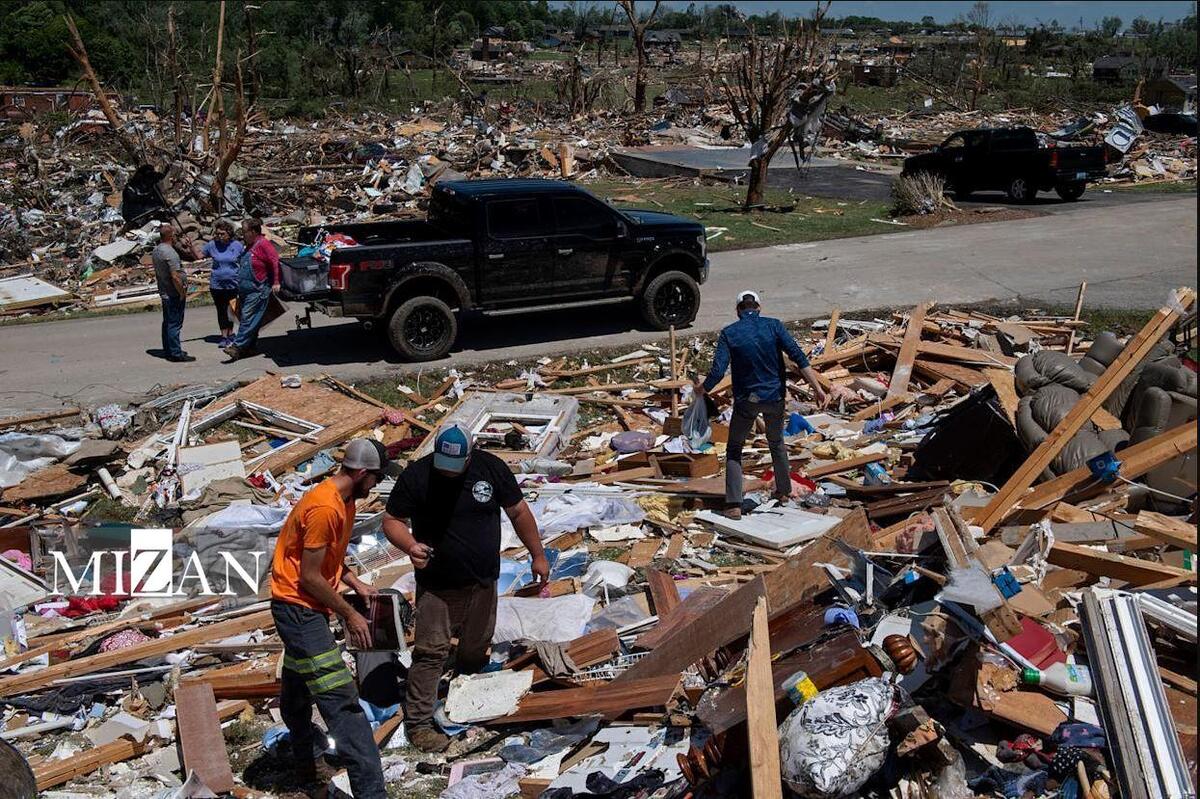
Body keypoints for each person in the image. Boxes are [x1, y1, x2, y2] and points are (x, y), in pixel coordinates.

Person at [381, 424, 547, 753]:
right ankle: (419, 724)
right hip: (438, 585)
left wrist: (538, 555)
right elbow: (392, 520)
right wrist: (410, 546)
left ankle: (466, 700)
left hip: (483, 581)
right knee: (431, 652)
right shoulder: (417, 476)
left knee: (476, 645)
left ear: (470, 455)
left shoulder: (491, 469)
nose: (449, 473)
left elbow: (518, 512)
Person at [270, 439, 394, 798]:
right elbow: (310, 577)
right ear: (361, 473)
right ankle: (372, 794)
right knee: (343, 703)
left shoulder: (346, 499)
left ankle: (306, 766)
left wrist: (355, 582)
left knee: (296, 696)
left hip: (305, 609)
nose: (376, 485)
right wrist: (349, 614)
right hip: (299, 611)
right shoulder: (325, 507)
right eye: (375, 478)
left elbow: (330, 559)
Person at [696, 290, 828, 519]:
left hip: (747, 401)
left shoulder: (729, 333)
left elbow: (718, 371)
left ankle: (734, 504)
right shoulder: (774, 326)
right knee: (776, 442)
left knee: (734, 449)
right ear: (758, 308)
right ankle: (783, 492)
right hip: (774, 398)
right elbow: (798, 356)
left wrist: (702, 389)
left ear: (738, 311)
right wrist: (817, 388)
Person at [224, 217, 280, 362]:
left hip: (257, 289)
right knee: (248, 318)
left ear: (254, 232)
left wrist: (276, 282)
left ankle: (237, 346)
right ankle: (250, 347)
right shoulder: (249, 246)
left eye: (244, 232)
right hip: (245, 290)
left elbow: (274, 261)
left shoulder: (264, 244)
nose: (242, 235)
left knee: (248, 318)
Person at [151, 223, 195, 363]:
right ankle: (176, 353)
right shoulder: (170, 253)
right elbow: (175, 276)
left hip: (164, 291)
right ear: (171, 236)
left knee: (168, 323)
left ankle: (168, 350)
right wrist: (182, 292)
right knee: (175, 324)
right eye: (175, 235)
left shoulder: (157, 250)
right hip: (173, 293)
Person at [202, 220, 244, 347]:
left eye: (222, 234)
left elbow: (244, 261)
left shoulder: (237, 245)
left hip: (233, 283)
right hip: (217, 284)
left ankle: (231, 333)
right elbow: (199, 255)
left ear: (229, 233)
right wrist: (190, 247)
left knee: (231, 309)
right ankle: (224, 336)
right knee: (221, 310)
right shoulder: (212, 245)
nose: (219, 236)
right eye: (218, 234)